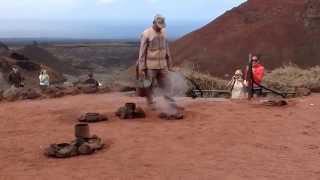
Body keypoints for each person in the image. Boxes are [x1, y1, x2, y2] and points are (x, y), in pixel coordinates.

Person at [136, 14, 175, 108]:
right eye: (158, 25)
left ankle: (169, 100)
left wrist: (170, 64)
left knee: (167, 83)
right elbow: (142, 52)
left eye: (161, 26)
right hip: (151, 65)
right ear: (154, 23)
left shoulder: (164, 32)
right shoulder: (146, 33)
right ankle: (150, 102)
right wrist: (142, 67)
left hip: (163, 64)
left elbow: (167, 49)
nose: (160, 28)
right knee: (150, 84)